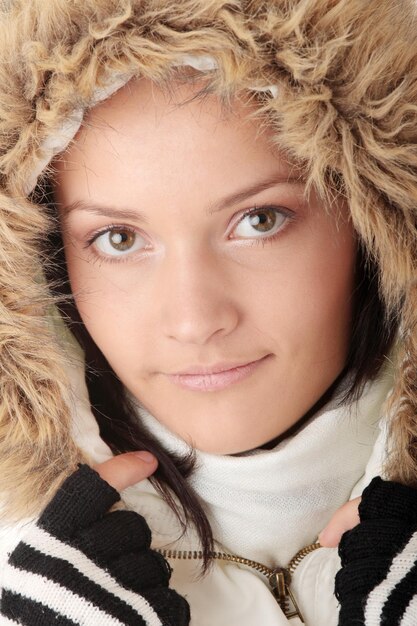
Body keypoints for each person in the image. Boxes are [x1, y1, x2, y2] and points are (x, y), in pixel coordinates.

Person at [0, 0, 416, 624]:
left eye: (260, 220)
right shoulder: (28, 580)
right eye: (117, 238)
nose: (195, 321)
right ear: (43, 262)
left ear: (375, 218)